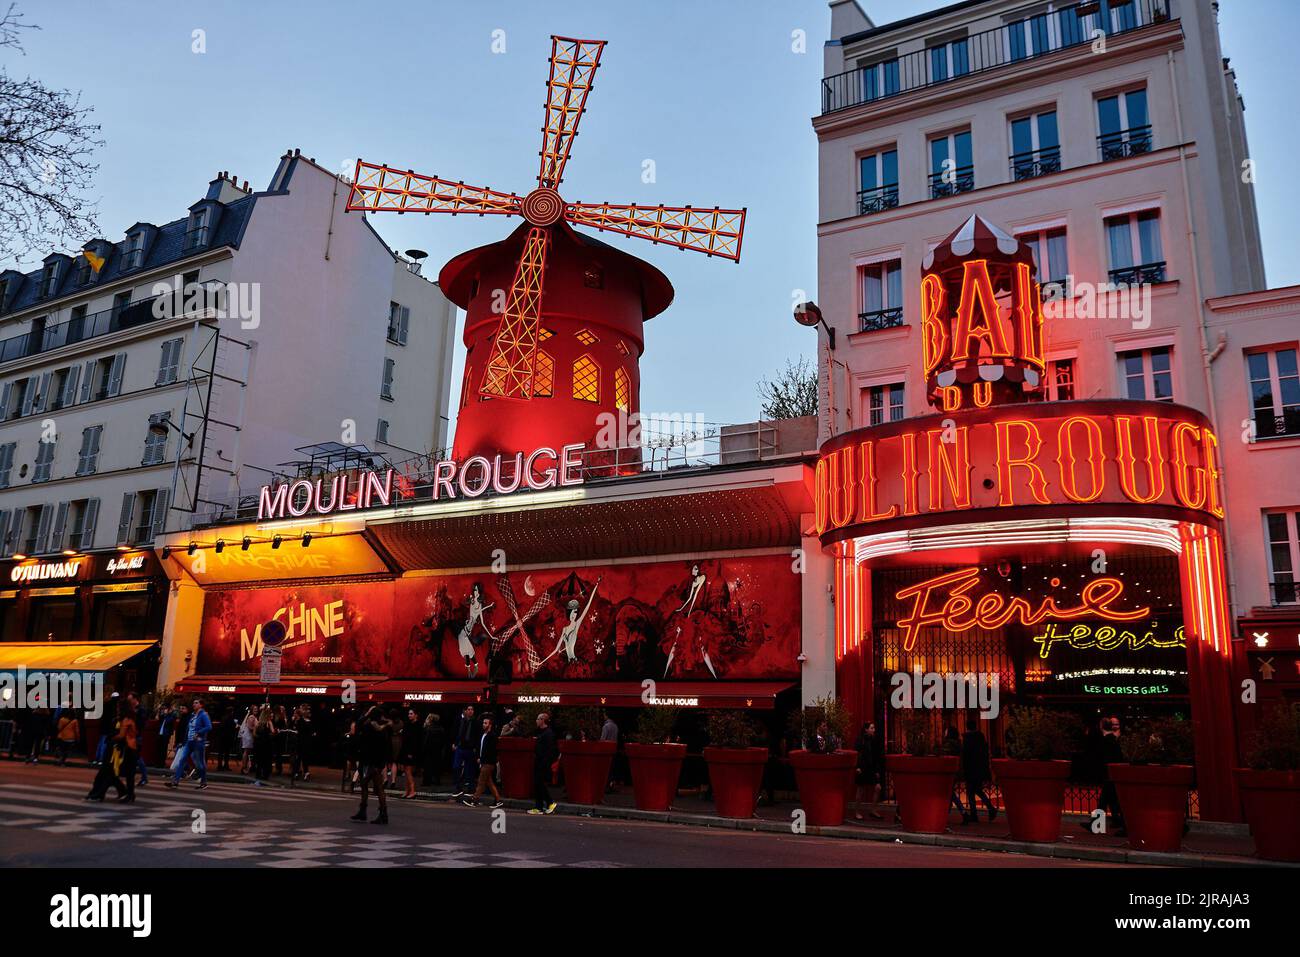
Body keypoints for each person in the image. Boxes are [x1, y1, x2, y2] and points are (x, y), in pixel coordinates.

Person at [84, 701, 137, 803]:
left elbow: (121, 735)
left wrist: (111, 738)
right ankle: (126, 793)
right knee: (123, 774)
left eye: (118, 708)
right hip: (128, 749)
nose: (117, 710)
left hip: (126, 750)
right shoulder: (129, 719)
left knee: (119, 773)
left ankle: (126, 794)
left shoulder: (125, 720)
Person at [351, 706, 391, 825]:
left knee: (367, 785)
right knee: (378, 787)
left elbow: (358, 726)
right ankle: (382, 812)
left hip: (368, 759)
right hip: (378, 760)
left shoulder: (368, 726)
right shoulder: (384, 728)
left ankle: (368, 811)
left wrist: (367, 714)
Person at [960, 716, 997, 824]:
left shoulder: (967, 740)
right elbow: (985, 754)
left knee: (971, 792)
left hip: (971, 769)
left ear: (967, 727)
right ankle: (989, 809)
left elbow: (965, 756)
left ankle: (975, 814)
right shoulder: (981, 739)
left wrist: (963, 770)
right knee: (977, 790)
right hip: (980, 769)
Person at [463, 715, 504, 808]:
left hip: (488, 763)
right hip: (483, 761)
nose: (483, 724)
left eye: (485, 723)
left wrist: (482, 759)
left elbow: (491, 751)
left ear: (490, 725)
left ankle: (474, 799)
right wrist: (479, 757)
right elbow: (481, 748)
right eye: (483, 723)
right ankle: (498, 800)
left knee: (481, 781)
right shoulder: (483, 735)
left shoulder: (492, 736)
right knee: (489, 782)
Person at [528, 712, 558, 815]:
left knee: (539, 784)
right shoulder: (540, 732)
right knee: (537, 785)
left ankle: (550, 802)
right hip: (538, 761)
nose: (536, 721)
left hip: (543, 763)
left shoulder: (548, 733)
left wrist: (545, 763)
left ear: (542, 720)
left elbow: (549, 751)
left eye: (538, 719)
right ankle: (539, 807)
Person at [854, 721, 883, 820]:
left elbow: (876, 756)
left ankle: (873, 810)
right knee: (860, 790)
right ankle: (857, 811)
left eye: (874, 728)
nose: (873, 730)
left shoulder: (874, 740)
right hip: (862, 768)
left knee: (878, 787)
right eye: (871, 728)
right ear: (866, 729)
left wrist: (877, 770)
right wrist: (857, 767)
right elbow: (857, 754)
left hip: (872, 768)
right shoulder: (860, 740)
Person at [452, 705, 478, 798]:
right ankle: (458, 787)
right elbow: (457, 732)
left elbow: (477, 735)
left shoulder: (475, 722)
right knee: (456, 767)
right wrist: (455, 743)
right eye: (469, 709)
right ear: (465, 711)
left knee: (469, 769)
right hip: (460, 746)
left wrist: (475, 747)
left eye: (472, 709)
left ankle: (470, 789)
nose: (470, 711)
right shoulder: (461, 721)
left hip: (470, 748)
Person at [399, 709, 420, 798]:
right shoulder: (408, 724)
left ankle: (412, 790)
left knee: (408, 771)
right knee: (406, 771)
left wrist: (411, 752)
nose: (409, 715)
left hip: (411, 751)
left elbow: (415, 740)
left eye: (411, 714)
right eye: (409, 714)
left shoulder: (417, 726)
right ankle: (407, 790)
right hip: (405, 749)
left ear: (416, 715)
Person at [422, 713, 446, 787]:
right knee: (437, 766)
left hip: (429, 750)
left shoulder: (428, 729)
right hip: (438, 750)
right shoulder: (441, 729)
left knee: (427, 766)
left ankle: (427, 782)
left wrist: (423, 749)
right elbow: (443, 741)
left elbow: (426, 741)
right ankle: (437, 780)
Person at [253, 706, 275, 785]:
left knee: (259, 760)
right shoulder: (268, 722)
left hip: (259, 744)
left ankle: (258, 774)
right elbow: (273, 731)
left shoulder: (258, 723)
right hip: (267, 744)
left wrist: (259, 737)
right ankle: (265, 775)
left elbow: (254, 734)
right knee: (266, 760)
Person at [292, 704, 314, 782]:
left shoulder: (304, 721)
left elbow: (307, 731)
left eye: (301, 709)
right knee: (299, 758)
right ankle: (300, 773)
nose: (300, 710)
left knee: (303, 758)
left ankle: (304, 773)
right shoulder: (300, 720)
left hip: (304, 742)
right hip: (301, 741)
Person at [239, 708, 257, 773]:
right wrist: (256, 729)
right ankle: (243, 767)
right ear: (252, 710)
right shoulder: (251, 717)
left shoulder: (253, 717)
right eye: (254, 709)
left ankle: (245, 767)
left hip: (249, 736)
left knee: (247, 752)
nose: (256, 710)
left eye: (257, 709)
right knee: (246, 752)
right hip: (248, 736)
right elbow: (250, 727)